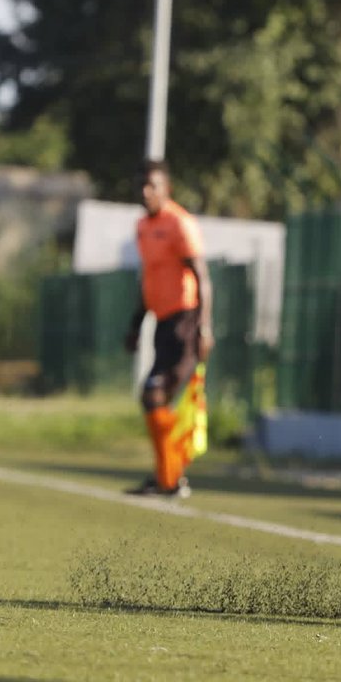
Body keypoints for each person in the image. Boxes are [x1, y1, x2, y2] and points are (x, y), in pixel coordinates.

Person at [123, 159, 214, 498]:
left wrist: (204, 327)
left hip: (186, 323)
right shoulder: (143, 227)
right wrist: (136, 324)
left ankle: (169, 477)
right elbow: (148, 280)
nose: (146, 192)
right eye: (141, 186)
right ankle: (168, 475)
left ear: (167, 188)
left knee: (155, 393)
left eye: (152, 186)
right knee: (156, 398)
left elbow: (202, 278)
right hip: (162, 324)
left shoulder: (180, 223)